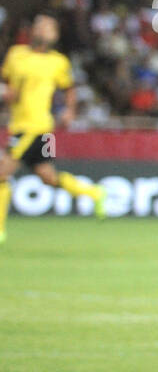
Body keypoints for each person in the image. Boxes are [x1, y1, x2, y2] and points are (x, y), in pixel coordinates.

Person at [0, 13, 106, 243]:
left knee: (1, 173)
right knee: (47, 177)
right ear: (32, 30)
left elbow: (69, 89)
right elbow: (9, 87)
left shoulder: (58, 62)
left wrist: (69, 110)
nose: (43, 30)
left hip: (35, 127)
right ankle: (94, 192)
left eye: (48, 28)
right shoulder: (16, 55)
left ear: (55, 36)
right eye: (40, 25)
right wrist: (8, 94)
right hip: (20, 123)